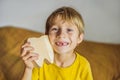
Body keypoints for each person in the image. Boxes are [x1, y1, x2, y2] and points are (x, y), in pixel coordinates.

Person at [21, 6, 93, 80]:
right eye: (55, 29)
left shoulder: (83, 65)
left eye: (69, 30)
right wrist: (28, 69)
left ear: (79, 38)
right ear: (46, 36)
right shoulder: (39, 61)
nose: (61, 35)